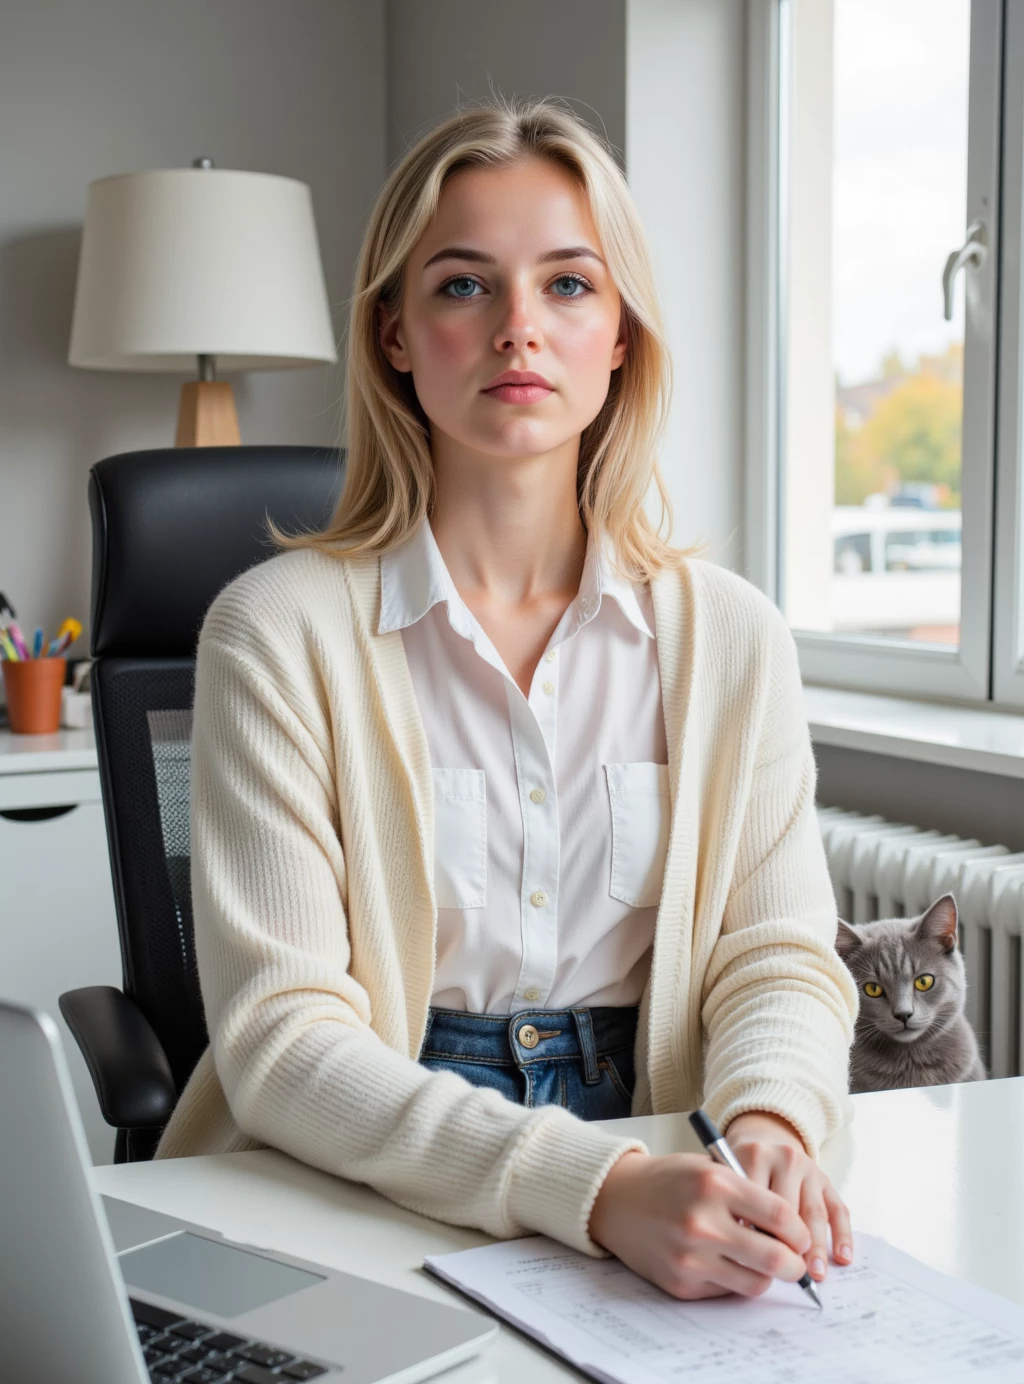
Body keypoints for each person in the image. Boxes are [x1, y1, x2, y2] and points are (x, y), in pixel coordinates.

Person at [156, 94, 860, 1304]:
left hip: (660, 1147)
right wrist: (590, 1188)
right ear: (393, 333)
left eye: (570, 286)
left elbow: (777, 956)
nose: (518, 330)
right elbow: (281, 1040)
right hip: (353, 1160)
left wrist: (770, 1121)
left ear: (622, 334)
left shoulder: (731, 638)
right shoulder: (275, 632)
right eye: (464, 286)